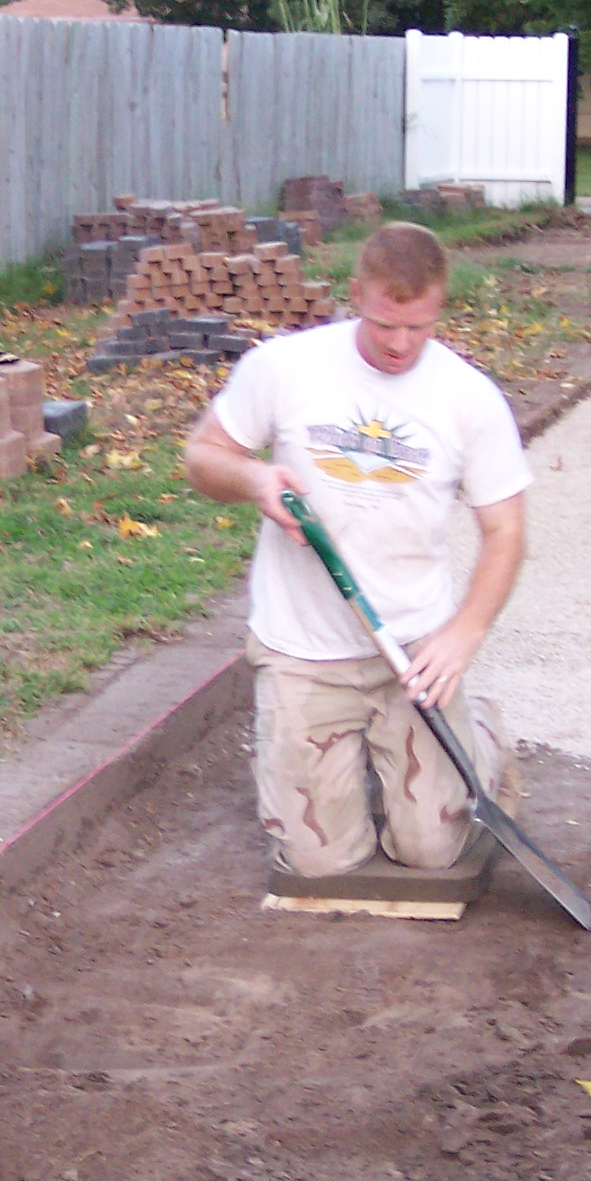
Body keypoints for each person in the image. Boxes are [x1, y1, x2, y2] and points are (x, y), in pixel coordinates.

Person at [183, 222, 531, 877]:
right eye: (384, 325)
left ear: (440, 309)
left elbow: (506, 532)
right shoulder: (286, 367)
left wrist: (463, 633)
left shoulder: (469, 399)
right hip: (304, 650)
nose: (400, 345)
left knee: (430, 851)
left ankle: (476, 733)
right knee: (318, 864)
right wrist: (254, 478)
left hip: (415, 652)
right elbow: (202, 457)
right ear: (356, 296)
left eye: (418, 328)